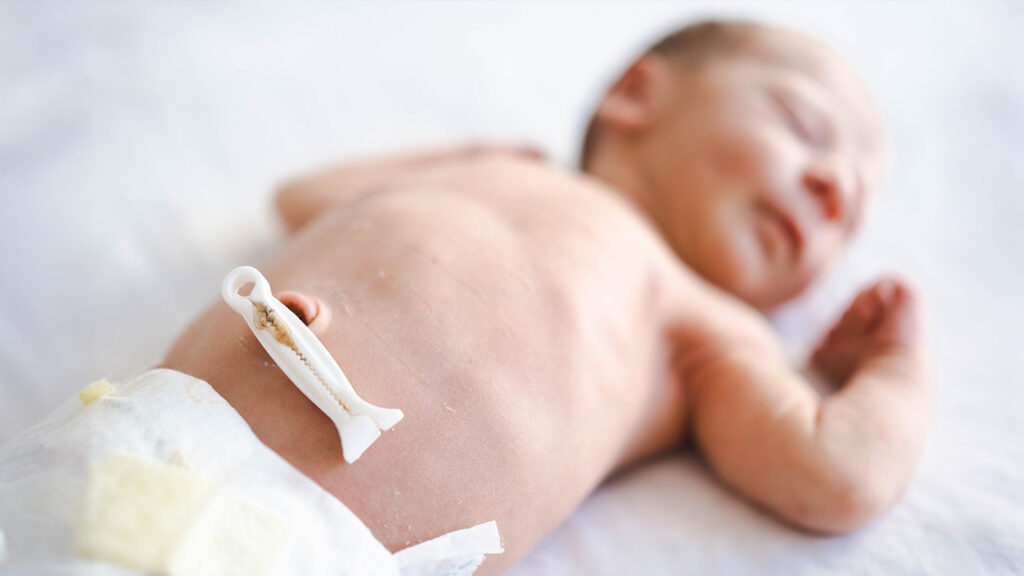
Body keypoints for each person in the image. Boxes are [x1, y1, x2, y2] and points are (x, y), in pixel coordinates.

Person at [4, 20, 932, 576]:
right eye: (806, 129)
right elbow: (305, 197)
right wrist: (460, 161)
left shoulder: (706, 323)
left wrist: (895, 369)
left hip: (317, 548)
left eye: (851, 209)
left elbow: (833, 474)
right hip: (143, 439)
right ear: (638, 92)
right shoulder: (490, 170)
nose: (834, 190)